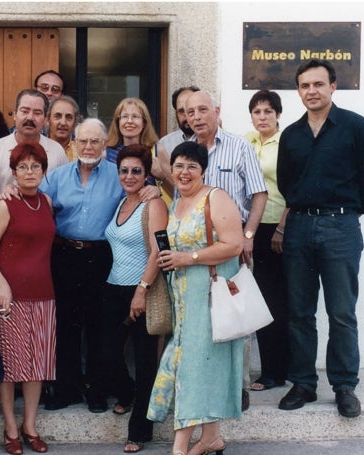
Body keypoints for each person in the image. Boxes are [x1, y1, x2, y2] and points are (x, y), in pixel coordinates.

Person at [35, 118, 158, 413]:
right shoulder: (56, 177)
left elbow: (139, 190)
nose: (88, 147)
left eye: (95, 142)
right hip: (63, 256)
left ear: (105, 146)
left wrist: (152, 189)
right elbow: (35, 203)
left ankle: (97, 388)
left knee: (98, 327)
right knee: (65, 324)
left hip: (101, 257)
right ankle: (67, 388)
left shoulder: (118, 175)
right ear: (73, 144)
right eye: (83, 141)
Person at [277, 59, 364, 418]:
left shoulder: (355, 127)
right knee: (299, 312)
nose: (311, 91)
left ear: (332, 87)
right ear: (298, 91)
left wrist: (348, 212)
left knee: (341, 312)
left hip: (340, 227)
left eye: (318, 84)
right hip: (299, 227)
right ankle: (303, 384)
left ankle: (344, 386)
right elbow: (285, 182)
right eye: (304, 86)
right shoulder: (292, 134)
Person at [147, 141, 244, 455]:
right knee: (202, 367)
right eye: (178, 165)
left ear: (203, 170)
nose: (184, 172)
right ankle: (211, 437)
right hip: (184, 300)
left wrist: (188, 258)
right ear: (171, 170)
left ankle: (179, 447)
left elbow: (234, 245)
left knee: (190, 369)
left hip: (209, 297)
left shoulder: (215, 197)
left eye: (192, 166)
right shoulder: (176, 202)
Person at [185, 89, 268, 411]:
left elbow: (258, 195)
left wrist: (248, 235)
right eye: (191, 112)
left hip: (234, 248)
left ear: (217, 111)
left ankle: (239, 385)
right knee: (202, 321)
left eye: (203, 110)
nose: (197, 117)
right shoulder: (187, 151)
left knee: (236, 318)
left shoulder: (239, 147)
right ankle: (207, 381)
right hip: (196, 250)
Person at [0, 142, 56, 455]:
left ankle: (30, 426)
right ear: (13, 172)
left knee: (37, 364)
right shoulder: (5, 205)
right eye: (23, 167)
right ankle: (10, 427)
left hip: (43, 293)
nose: (29, 172)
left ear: (43, 171)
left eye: (35, 166)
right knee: (9, 365)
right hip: (7, 296)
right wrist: (2, 285)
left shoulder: (47, 201)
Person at [101, 144, 168, 453]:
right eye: (124, 171)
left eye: (136, 171)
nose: (129, 176)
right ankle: (126, 395)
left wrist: (141, 289)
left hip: (142, 289)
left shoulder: (152, 204)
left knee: (144, 360)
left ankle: (140, 429)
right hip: (114, 288)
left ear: (147, 175)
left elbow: (157, 250)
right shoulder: (120, 203)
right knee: (109, 352)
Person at [244, 89, 289, 392]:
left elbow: (294, 187)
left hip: (277, 227)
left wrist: (282, 229)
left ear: (277, 115)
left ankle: (276, 372)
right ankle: (268, 369)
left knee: (277, 300)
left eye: (268, 111)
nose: (262, 117)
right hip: (251, 226)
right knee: (257, 299)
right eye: (257, 111)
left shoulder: (286, 143)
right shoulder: (245, 140)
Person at [0, 89, 68, 207]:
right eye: (25, 111)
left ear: (45, 119)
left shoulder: (56, 151)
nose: (30, 118)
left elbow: (63, 197)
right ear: (14, 114)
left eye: (37, 113)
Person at [105, 97, 173, 202]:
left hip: (147, 214)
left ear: (144, 123)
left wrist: (160, 177)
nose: (129, 121)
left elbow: (177, 192)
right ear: (118, 122)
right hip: (114, 214)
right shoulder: (106, 153)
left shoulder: (157, 150)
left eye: (135, 117)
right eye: (124, 116)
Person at [159, 86, 200, 156]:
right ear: (176, 113)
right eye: (181, 111)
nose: (187, 116)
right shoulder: (164, 145)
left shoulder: (214, 140)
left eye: (191, 110)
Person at [47, 96, 79, 161]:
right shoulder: (38, 149)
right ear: (48, 120)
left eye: (68, 117)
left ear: (75, 122)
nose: (63, 123)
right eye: (57, 116)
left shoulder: (81, 152)